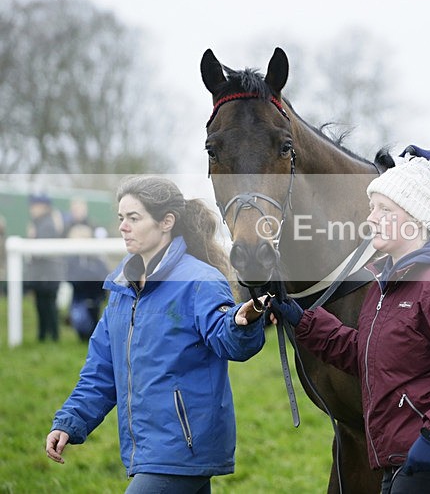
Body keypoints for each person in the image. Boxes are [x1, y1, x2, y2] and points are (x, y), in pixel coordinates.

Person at [269, 155, 430, 493]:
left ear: (414, 220)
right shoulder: (388, 284)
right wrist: (302, 319)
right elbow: (369, 354)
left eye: (384, 210)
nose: (371, 218)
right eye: (372, 208)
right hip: (401, 454)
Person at [45, 176, 268, 494]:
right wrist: (70, 421)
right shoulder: (120, 287)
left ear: (166, 222)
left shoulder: (200, 280)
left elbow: (226, 338)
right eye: (121, 218)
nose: (123, 226)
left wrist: (241, 321)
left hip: (182, 447)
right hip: (148, 451)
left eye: (134, 218)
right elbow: (101, 371)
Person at [27, 193, 65, 342]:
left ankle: (51, 337)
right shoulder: (42, 221)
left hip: (47, 274)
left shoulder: (46, 223)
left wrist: (32, 237)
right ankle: (44, 336)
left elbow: (41, 252)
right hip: (44, 274)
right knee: (43, 305)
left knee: (48, 305)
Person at [65, 223, 109, 341]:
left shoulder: (95, 258)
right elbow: (71, 278)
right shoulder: (72, 260)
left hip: (95, 296)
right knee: (81, 322)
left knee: (94, 321)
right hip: (79, 297)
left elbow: (103, 275)